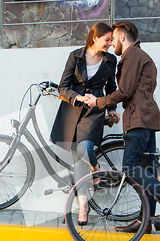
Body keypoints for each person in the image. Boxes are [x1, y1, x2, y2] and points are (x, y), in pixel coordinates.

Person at [85, 21, 160, 234]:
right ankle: (145, 222)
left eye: (113, 40)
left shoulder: (132, 56)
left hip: (138, 118)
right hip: (146, 118)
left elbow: (125, 91)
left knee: (130, 167)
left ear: (122, 37)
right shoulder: (142, 57)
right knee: (147, 171)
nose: (111, 45)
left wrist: (99, 102)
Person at [50, 22, 120, 226]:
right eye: (107, 39)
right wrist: (78, 98)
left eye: (111, 39)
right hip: (72, 111)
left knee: (85, 148)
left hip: (94, 110)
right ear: (94, 38)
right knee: (78, 162)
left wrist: (112, 107)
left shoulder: (110, 60)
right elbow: (63, 87)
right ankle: (83, 206)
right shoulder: (75, 56)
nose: (110, 43)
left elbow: (111, 87)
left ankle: (96, 166)